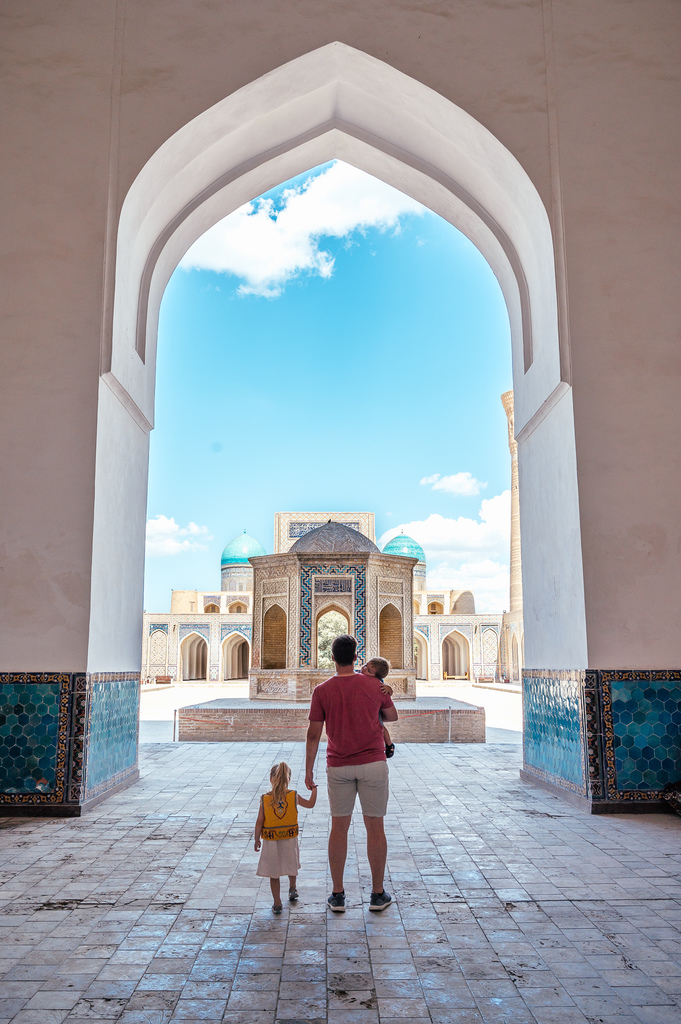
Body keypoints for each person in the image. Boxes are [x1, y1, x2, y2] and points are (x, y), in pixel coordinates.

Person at [305, 634, 398, 913]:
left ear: (331, 658)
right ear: (356, 658)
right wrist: (384, 690)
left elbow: (313, 735)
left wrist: (308, 771)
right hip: (373, 764)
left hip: (338, 766)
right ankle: (377, 894)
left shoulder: (322, 690)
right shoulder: (374, 686)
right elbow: (392, 718)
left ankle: (337, 895)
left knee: (339, 829)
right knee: (375, 828)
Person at [254, 761, 317, 914]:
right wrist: (314, 790)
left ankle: (277, 903)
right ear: (288, 779)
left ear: (271, 778)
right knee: (291, 863)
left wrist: (257, 839)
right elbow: (310, 804)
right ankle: (292, 888)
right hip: (289, 837)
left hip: (271, 840)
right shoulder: (293, 795)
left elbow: (259, 822)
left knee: (273, 872)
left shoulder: (265, 799)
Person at [362, 656, 396, 758]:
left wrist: (389, 689)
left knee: (380, 727)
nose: (363, 669)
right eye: (365, 665)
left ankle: (389, 744)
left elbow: (388, 693)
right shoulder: (358, 674)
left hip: (376, 711)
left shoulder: (379, 683)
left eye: (368, 670)